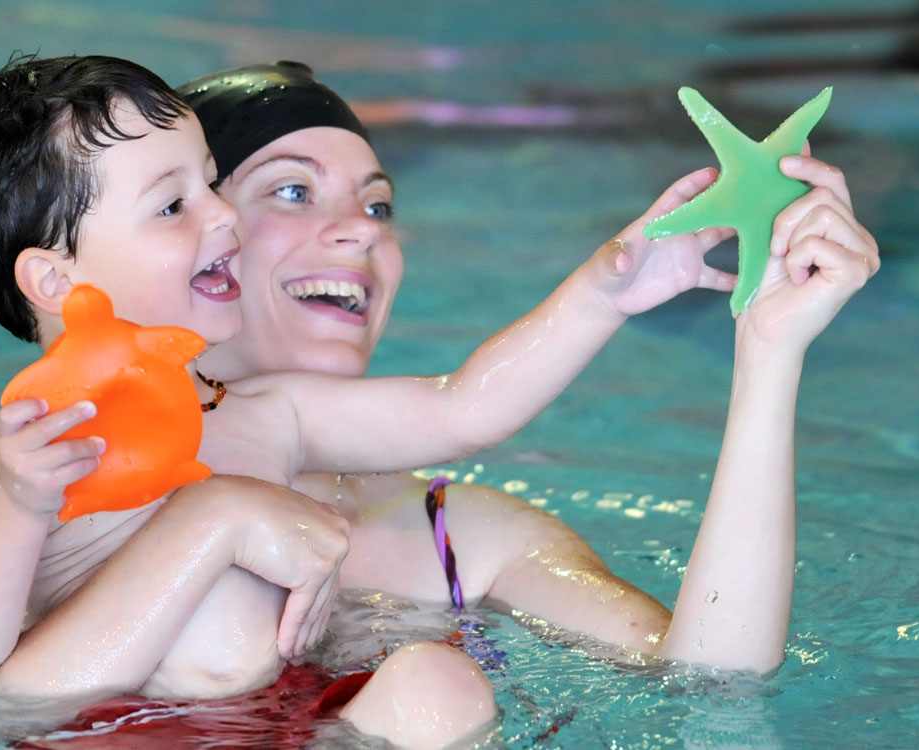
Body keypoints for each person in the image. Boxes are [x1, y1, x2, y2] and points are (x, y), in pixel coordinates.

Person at [0, 52, 790, 749]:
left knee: (433, 688)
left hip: (276, 723)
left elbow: (462, 409)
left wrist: (606, 291)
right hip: (103, 731)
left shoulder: (277, 420)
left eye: (212, 186)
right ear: (55, 278)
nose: (220, 219)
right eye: (177, 204)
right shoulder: (34, 445)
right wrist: (40, 504)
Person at [178, 61, 879, 673]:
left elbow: (711, 679)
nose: (364, 229)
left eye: (379, 205)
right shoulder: (117, 484)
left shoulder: (457, 536)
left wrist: (769, 353)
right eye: (293, 191)